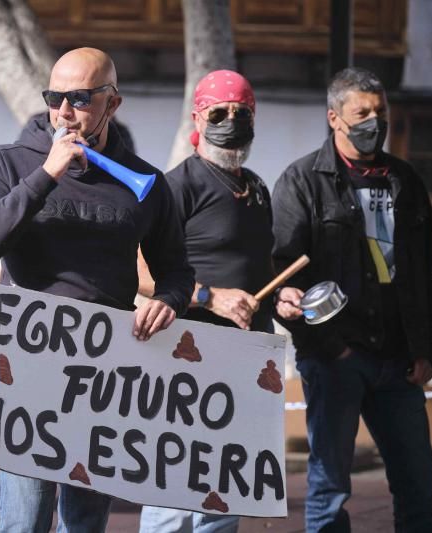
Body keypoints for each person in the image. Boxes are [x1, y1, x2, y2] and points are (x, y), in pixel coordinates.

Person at [0, 47, 194, 533]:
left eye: (80, 99)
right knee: (24, 519)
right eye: (55, 97)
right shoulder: (8, 162)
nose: (64, 111)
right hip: (24, 369)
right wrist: (46, 175)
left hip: (104, 377)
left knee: (85, 522)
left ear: (113, 103)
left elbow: (176, 270)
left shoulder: (144, 181)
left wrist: (168, 302)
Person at [273, 67, 432, 532]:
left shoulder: (405, 181)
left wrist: (427, 350)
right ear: (334, 117)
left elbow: (426, 274)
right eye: (362, 113)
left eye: (380, 112)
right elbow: (283, 273)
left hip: (400, 360)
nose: (374, 122)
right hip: (334, 360)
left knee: (417, 484)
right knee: (329, 488)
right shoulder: (303, 180)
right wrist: (330, 349)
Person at [137, 69, 272, 533]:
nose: (231, 121)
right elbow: (138, 269)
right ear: (198, 116)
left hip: (244, 358)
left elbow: (258, 265)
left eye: (242, 112)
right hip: (185, 353)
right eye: (219, 112)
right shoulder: (176, 185)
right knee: (174, 485)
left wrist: (284, 293)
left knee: (224, 487)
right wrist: (210, 298)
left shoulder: (256, 188)